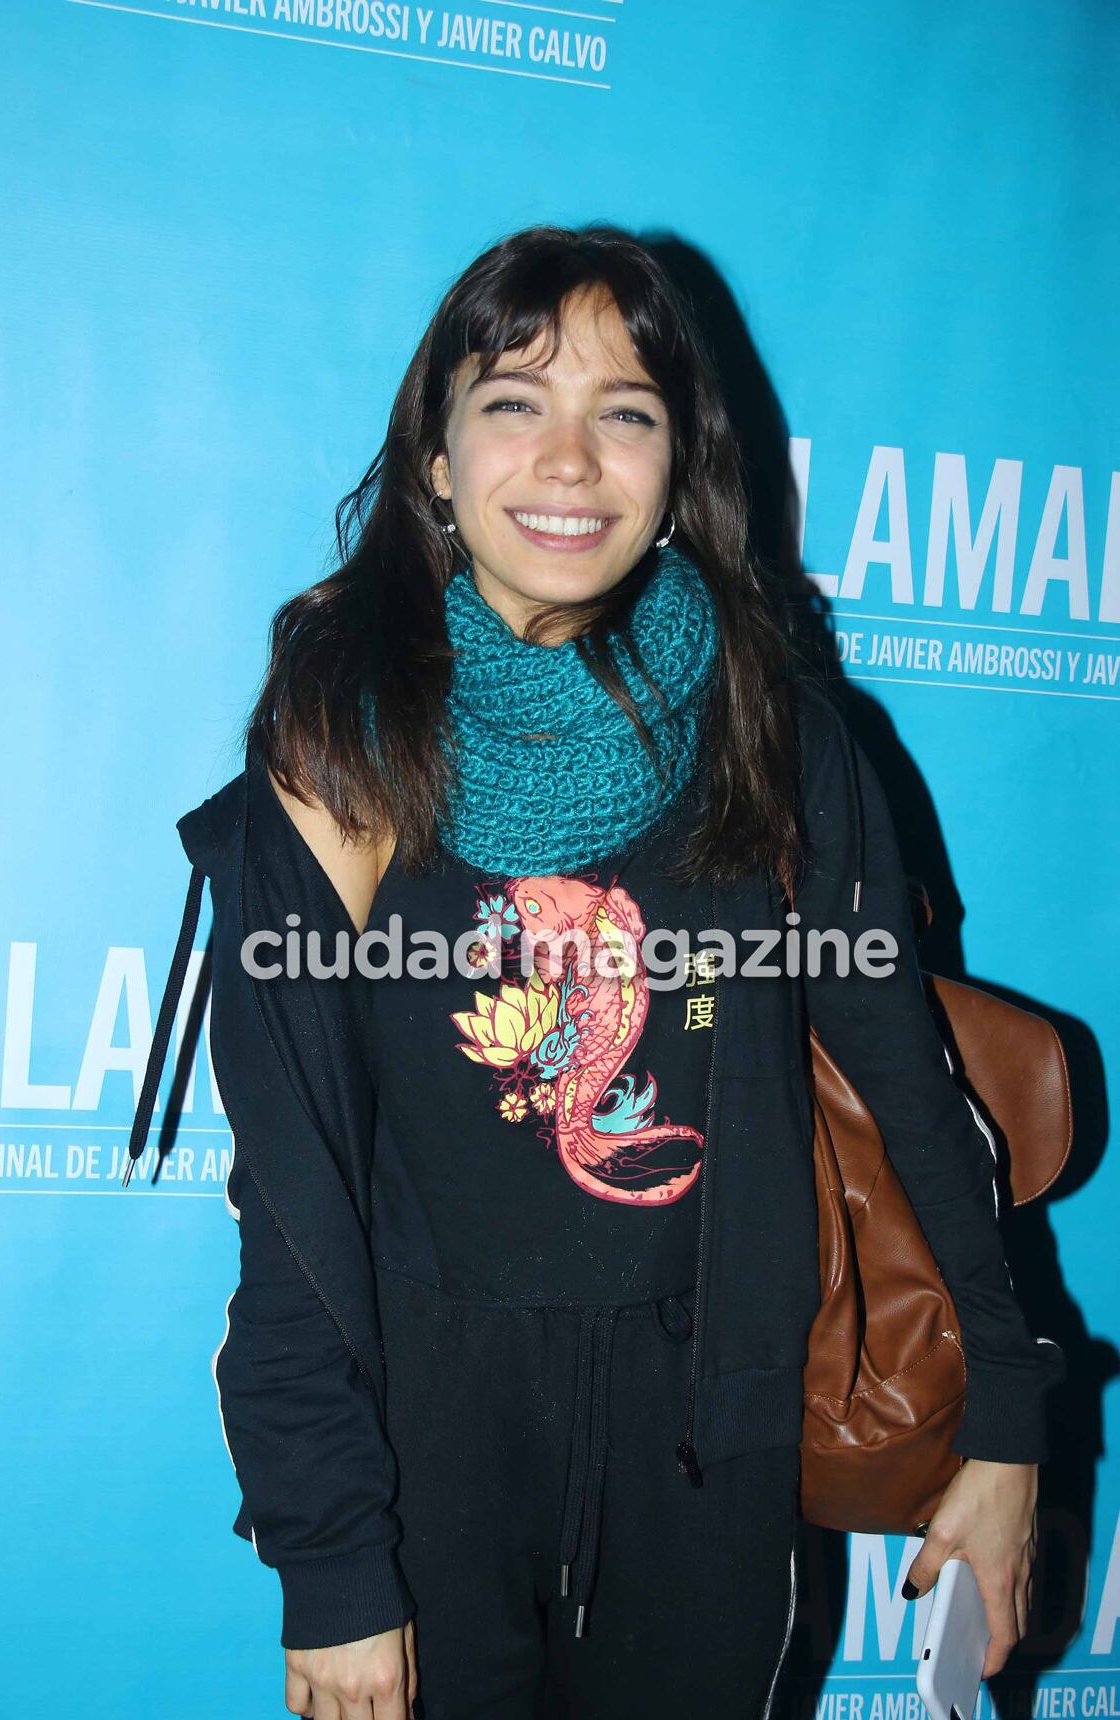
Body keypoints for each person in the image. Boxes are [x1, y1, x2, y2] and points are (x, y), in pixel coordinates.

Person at [128, 224, 1063, 1720]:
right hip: (427, 1464)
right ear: (436, 460)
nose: (569, 459)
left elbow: (913, 1087)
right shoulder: (343, 747)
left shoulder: (777, 731)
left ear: (676, 468)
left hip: (716, 1440)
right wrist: (334, 1565)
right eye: (514, 402)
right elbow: (290, 1205)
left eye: (623, 411)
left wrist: (1011, 1424)